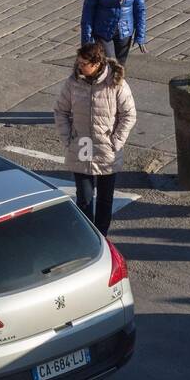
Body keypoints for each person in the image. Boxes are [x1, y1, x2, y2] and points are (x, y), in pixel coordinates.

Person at [53, 42, 137, 235]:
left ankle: (101, 236)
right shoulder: (73, 82)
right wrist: (68, 139)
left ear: (97, 63)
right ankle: (88, 237)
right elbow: (60, 111)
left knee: (105, 199)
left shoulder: (116, 84)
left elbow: (129, 114)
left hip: (106, 147)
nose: (79, 67)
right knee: (84, 198)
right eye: (79, 62)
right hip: (82, 145)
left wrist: (116, 141)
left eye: (84, 63)